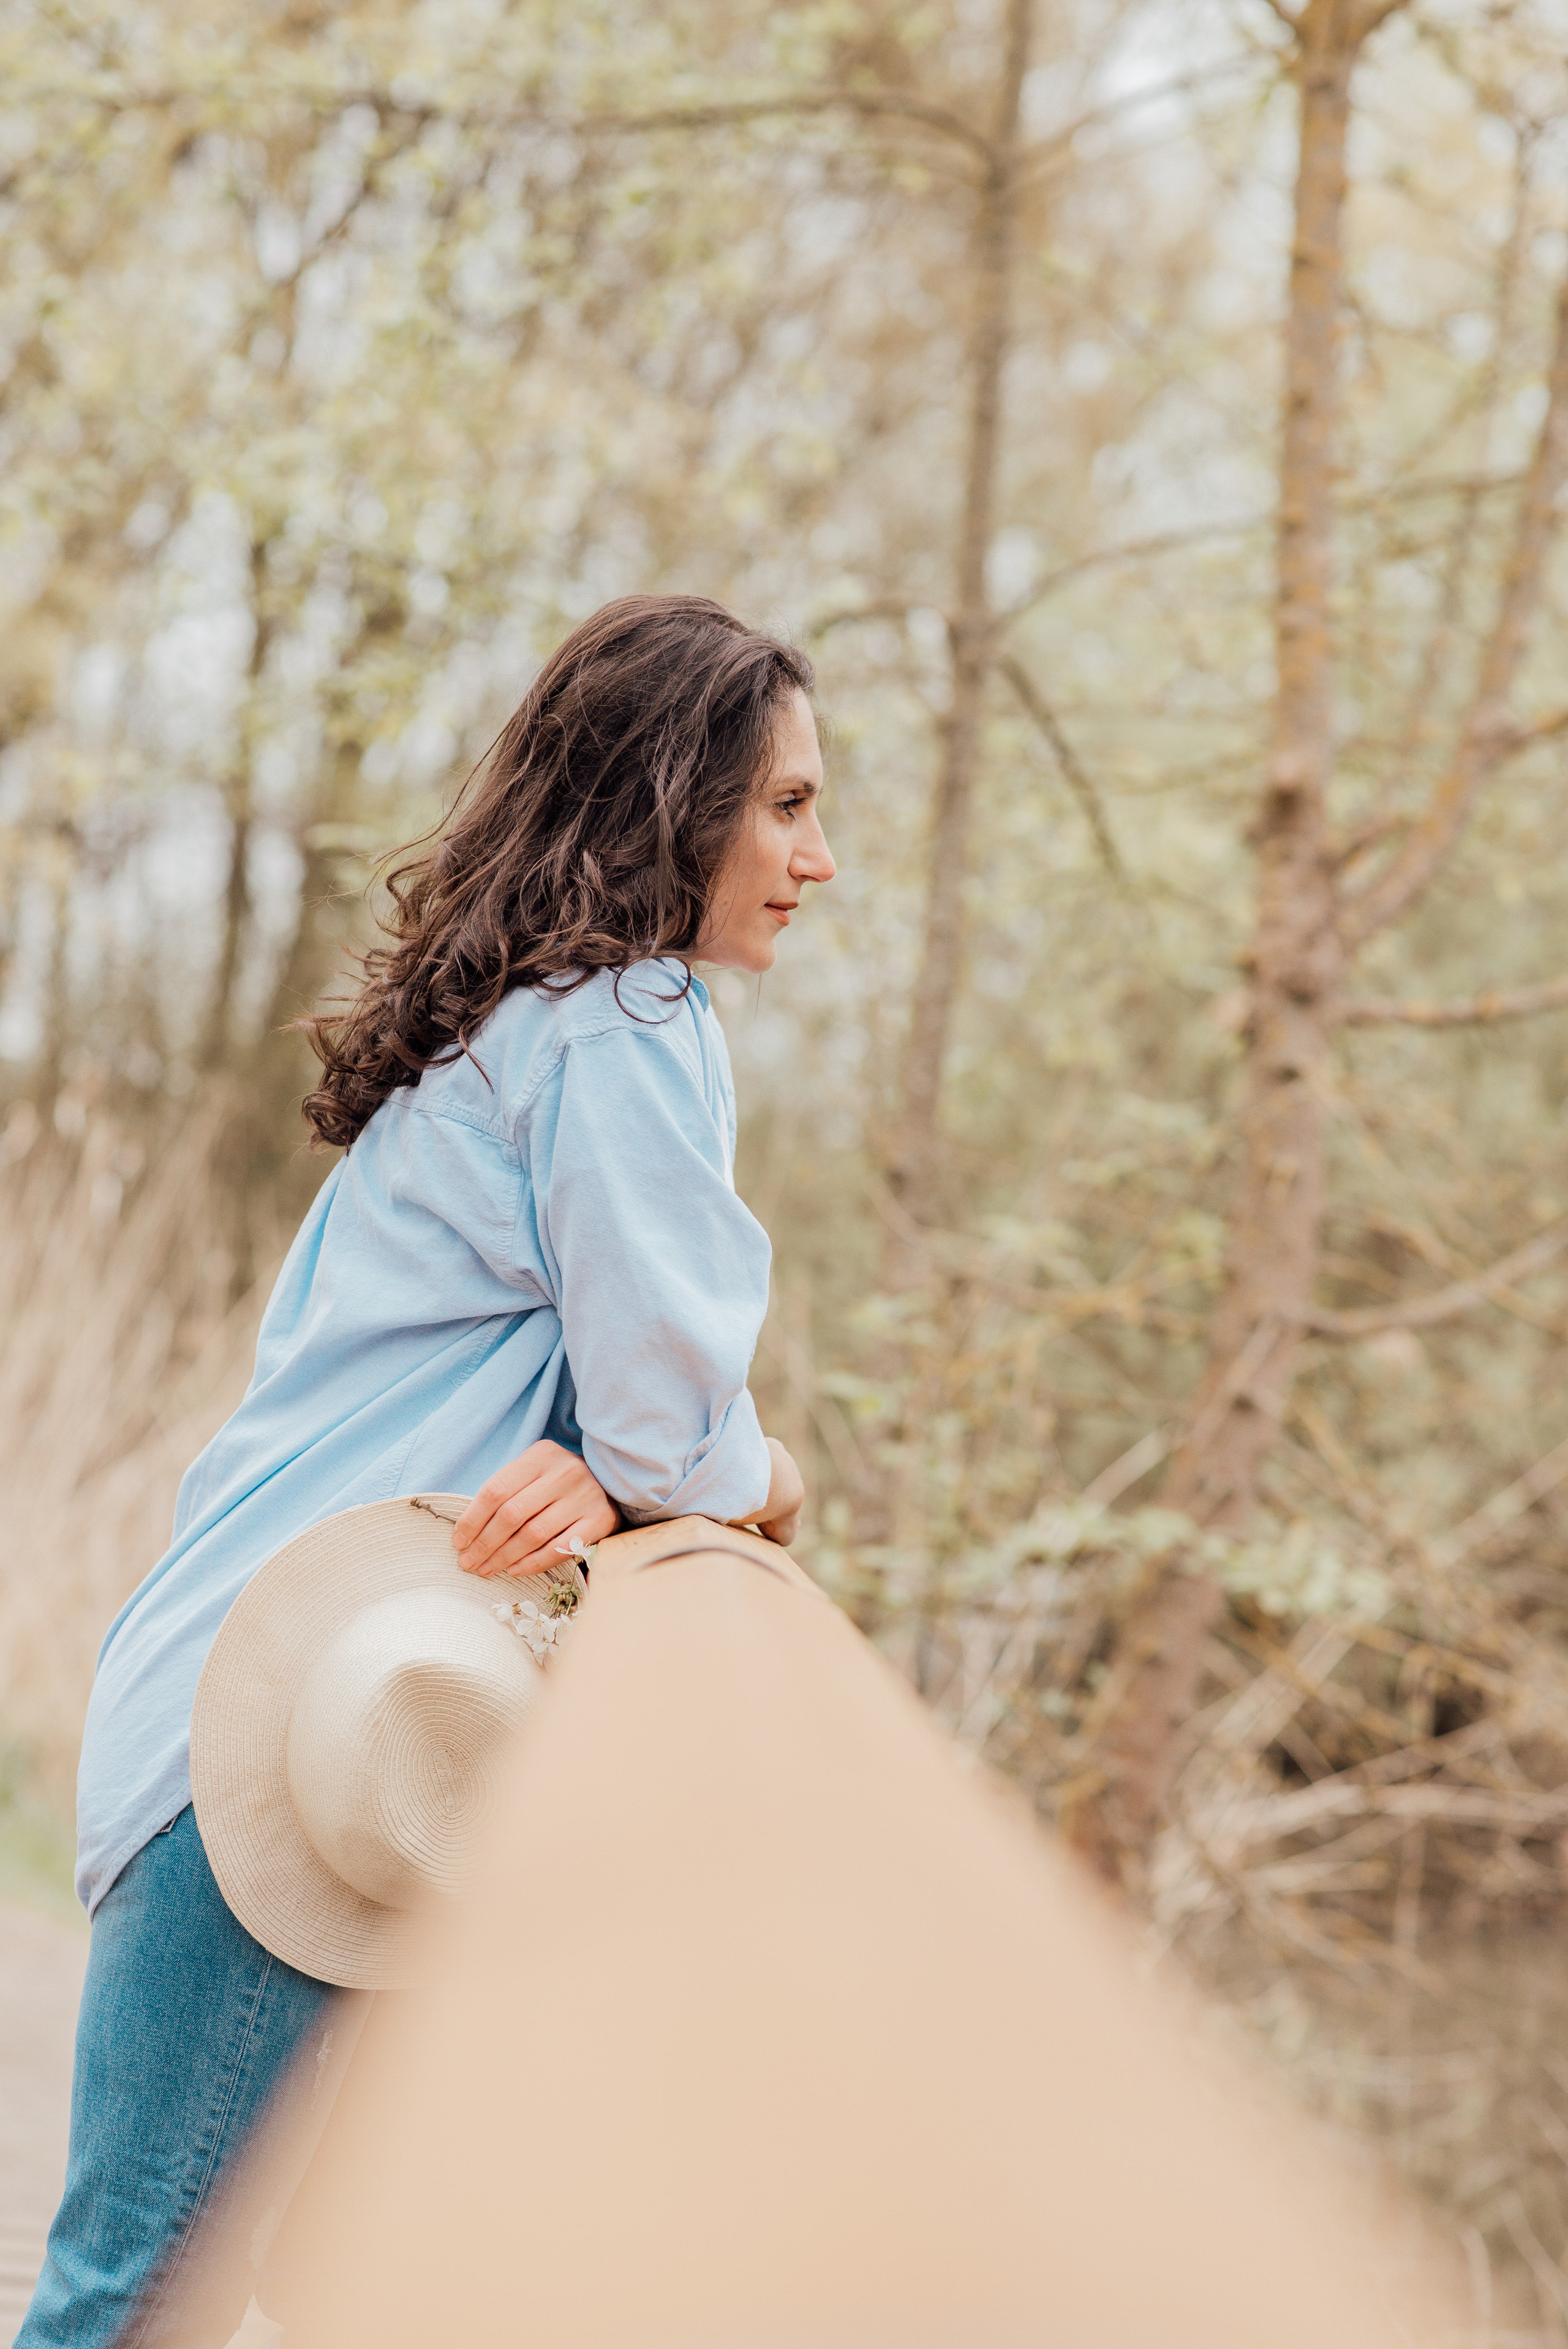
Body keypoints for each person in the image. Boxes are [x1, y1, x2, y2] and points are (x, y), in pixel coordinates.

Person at [18, 592, 835, 2349]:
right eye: (785, 806)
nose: (816, 859)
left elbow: (636, 1423)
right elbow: (677, 1426)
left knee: (325, 2290)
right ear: (678, 797)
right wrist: (751, 1474)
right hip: (287, 1744)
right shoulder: (623, 1026)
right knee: (133, 2301)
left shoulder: (519, 1018)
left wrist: (630, 1475)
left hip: (273, 1699)